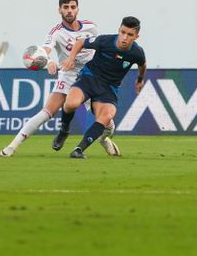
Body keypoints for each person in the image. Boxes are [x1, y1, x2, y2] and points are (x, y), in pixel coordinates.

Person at [0, 0, 120, 157]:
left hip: (93, 76)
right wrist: (49, 61)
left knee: (108, 123)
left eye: (72, 7)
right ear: (59, 10)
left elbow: (99, 49)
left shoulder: (91, 27)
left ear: (77, 9)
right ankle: (13, 146)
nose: (69, 11)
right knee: (47, 112)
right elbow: (45, 50)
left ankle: (104, 139)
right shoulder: (56, 33)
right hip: (69, 76)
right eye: (65, 7)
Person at [56, 16, 147, 159]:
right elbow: (80, 42)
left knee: (107, 115)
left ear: (136, 36)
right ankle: (64, 130)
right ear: (119, 30)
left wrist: (140, 79)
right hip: (89, 78)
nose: (124, 37)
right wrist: (71, 58)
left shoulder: (137, 53)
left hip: (109, 88)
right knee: (70, 104)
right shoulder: (105, 41)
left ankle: (79, 150)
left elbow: (142, 64)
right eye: (123, 32)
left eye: (130, 35)